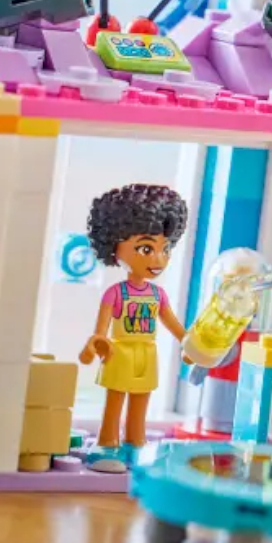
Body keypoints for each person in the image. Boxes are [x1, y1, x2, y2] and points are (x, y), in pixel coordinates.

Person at [77, 183, 188, 473]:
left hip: (146, 356)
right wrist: (96, 344)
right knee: (115, 402)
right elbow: (100, 331)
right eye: (146, 249)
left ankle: (135, 444)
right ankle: (106, 443)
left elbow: (174, 325)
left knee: (141, 403)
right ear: (114, 248)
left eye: (165, 249)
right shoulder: (115, 293)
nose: (158, 259)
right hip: (120, 354)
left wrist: (191, 345)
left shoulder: (158, 295)